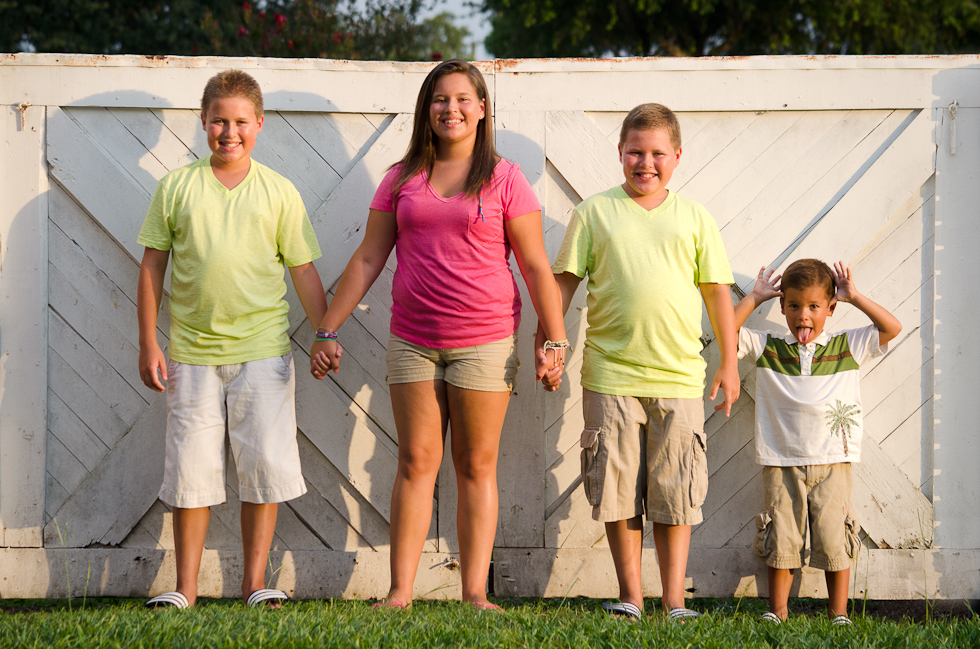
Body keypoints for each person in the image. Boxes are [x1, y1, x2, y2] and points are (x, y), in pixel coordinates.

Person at [309, 59, 567, 609]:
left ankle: (474, 591)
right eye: (439, 99)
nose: (451, 109)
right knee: (414, 463)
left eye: (462, 99)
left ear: (481, 109)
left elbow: (537, 267)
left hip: (486, 342)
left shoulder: (505, 179)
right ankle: (400, 591)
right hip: (413, 342)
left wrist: (554, 341)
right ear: (427, 110)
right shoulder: (400, 178)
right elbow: (368, 258)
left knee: (476, 465)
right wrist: (328, 326)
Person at [137, 70, 328, 609]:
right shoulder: (176, 187)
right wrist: (149, 343)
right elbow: (152, 267)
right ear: (202, 122)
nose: (229, 131)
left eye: (241, 121)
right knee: (190, 473)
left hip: (263, 354)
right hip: (190, 356)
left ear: (259, 125)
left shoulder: (278, 191)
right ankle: (186, 588)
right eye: (219, 120)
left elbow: (304, 270)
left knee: (263, 468)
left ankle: (253, 583)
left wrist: (325, 332)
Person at [548, 103, 739, 621]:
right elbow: (562, 284)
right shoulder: (595, 213)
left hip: (678, 375)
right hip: (610, 375)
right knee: (617, 490)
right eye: (635, 152)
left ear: (677, 156)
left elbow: (716, 292)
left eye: (657, 153)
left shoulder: (694, 217)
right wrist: (552, 344)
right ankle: (631, 595)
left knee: (675, 489)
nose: (645, 163)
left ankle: (674, 599)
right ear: (619, 153)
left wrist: (729, 361)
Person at [735, 260, 901, 625]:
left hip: (834, 461)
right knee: (783, 536)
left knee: (833, 538)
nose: (803, 316)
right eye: (794, 305)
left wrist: (854, 295)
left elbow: (892, 327)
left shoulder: (847, 345)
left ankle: (838, 612)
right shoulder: (769, 347)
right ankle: (777, 611)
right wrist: (754, 297)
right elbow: (727, 330)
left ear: (830, 308)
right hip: (781, 461)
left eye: (813, 306)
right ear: (781, 307)